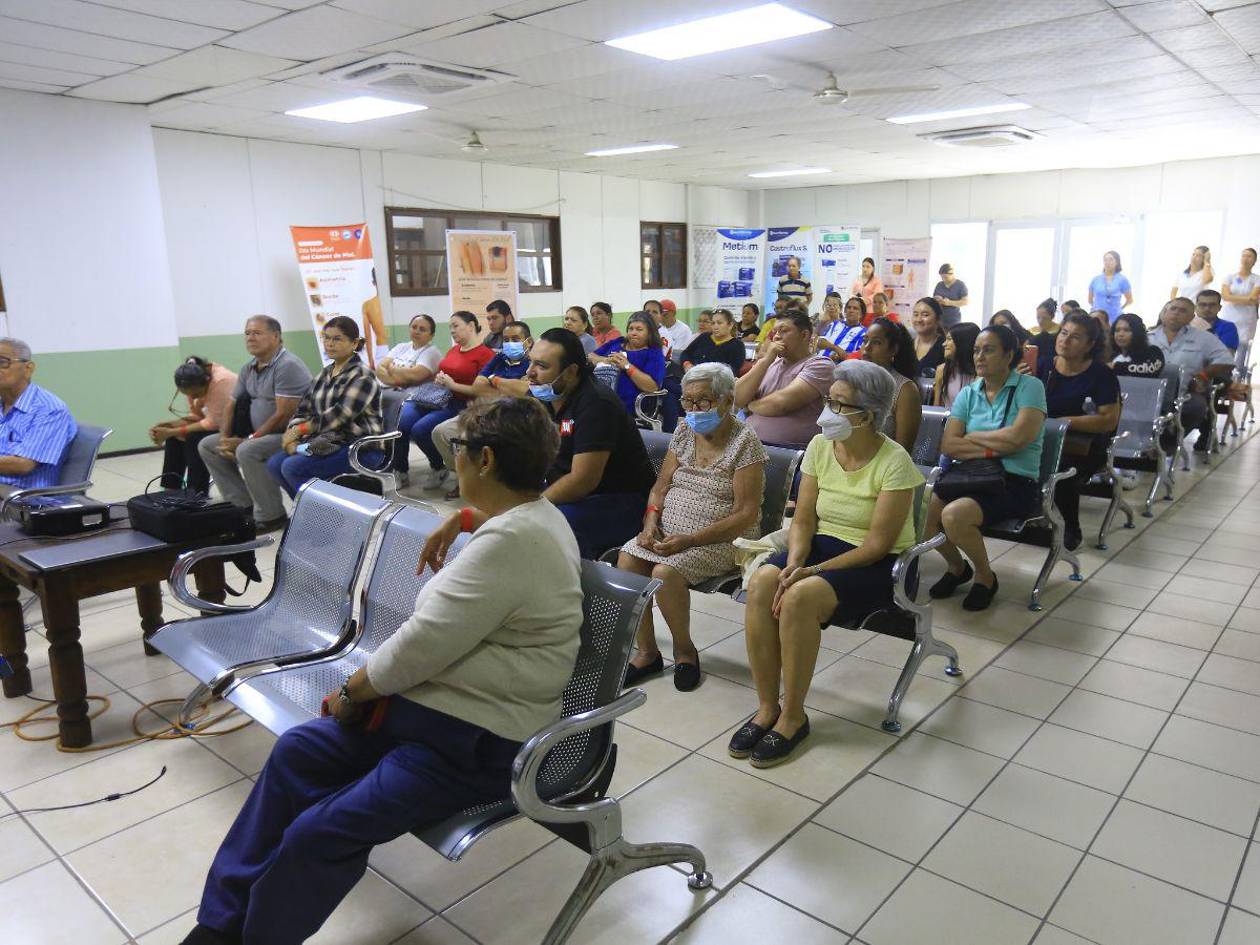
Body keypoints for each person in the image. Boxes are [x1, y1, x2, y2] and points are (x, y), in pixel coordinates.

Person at [179, 397, 583, 945]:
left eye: (458, 448)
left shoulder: (511, 542)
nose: (454, 457)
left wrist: (352, 690)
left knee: (319, 833)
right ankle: (218, 927)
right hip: (425, 719)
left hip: (472, 744)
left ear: (484, 460)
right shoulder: (527, 519)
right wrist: (465, 517)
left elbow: (420, 646)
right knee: (298, 753)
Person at [728, 360, 923, 768]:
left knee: (800, 597)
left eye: (838, 404)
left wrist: (812, 572)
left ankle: (794, 716)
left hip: (878, 564)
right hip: (821, 546)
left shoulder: (894, 462)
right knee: (764, 580)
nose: (826, 412)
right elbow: (803, 519)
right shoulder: (820, 446)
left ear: (867, 415)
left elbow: (877, 544)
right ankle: (767, 707)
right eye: (828, 400)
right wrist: (794, 560)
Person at [619, 363, 767, 692]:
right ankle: (647, 653)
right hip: (670, 533)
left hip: (724, 538)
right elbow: (660, 486)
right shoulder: (685, 429)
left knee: (663, 573)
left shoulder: (746, 441)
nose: (693, 410)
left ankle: (685, 652)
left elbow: (746, 513)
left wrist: (691, 539)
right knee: (628, 561)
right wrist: (650, 521)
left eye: (703, 402)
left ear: (728, 401)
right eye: (687, 401)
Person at [930, 325, 1047, 614]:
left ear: (1009, 355)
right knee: (920, 513)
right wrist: (997, 445)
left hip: (1014, 481)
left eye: (989, 350)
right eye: (976, 350)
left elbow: (1020, 437)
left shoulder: (1030, 387)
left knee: (953, 515)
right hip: (971, 476)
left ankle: (985, 576)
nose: (980, 356)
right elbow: (949, 444)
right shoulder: (970, 392)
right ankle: (958, 568)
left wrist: (972, 437)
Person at [526, 328, 656, 558]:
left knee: (553, 525)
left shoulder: (596, 403)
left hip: (620, 501)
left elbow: (582, 480)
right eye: (531, 362)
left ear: (570, 372)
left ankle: (569, 591)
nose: (530, 373)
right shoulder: (547, 397)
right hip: (576, 494)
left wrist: (533, 506)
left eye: (542, 366)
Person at [200, 316, 313, 533]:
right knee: (208, 445)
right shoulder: (248, 368)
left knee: (248, 450)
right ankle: (242, 506)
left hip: (293, 433)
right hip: (259, 433)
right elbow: (230, 405)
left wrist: (248, 439)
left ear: (276, 337)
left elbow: (282, 415)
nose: (250, 338)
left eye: (257, 333)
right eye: (247, 333)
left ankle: (272, 516)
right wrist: (224, 438)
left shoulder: (287, 365)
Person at [266, 317, 383, 499]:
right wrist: (292, 437)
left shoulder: (363, 375)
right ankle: (307, 511)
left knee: (292, 467)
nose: (329, 343)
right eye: (326, 338)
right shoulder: (323, 374)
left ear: (354, 343)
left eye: (337, 339)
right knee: (274, 464)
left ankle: (325, 516)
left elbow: (340, 415)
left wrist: (300, 430)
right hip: (326, 442)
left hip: (358, 446)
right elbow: (303, 410)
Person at [1036, 312, 1121, 551]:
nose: (1065, 340)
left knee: (1064, 469)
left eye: (1075, 337)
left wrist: (1066, 422)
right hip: (1042, 437)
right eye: (1063, 333)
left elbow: (1108, 420)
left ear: (1090, 345)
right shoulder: (1043, 365)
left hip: (1084, 444)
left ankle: (1071, 527)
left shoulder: (1100, 374)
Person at [430, 322, 533, 499]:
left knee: (483, 441)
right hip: (485, 410)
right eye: (506, 340)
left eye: (515, 339)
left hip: (513, 416)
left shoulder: (533, 362)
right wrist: (509, 386)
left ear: (528, 342)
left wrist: (493, 380)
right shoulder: (499, 358)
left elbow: (525, 391)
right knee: (441, 432)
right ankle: (465, 479)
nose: (509, 343)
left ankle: (491, 484)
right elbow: (477, 387)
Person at [393, 311, 493, 490]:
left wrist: (452, 385)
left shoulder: (485, 354)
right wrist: (441, 377)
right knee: (402, 424)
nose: (452, 331)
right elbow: (446, 372)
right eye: (450, 328)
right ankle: (400, 471)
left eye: (456, 326)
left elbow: (482, 390)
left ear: (471, 326)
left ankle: (439, 466)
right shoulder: (454, 349)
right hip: (437, 397)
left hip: (462, 403)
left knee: (421, 430)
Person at [736, 309, 833, 448]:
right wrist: (765, 360)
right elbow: (738, 398)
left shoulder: (820, 365)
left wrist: (750, 405)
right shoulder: (770, 363)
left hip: (789, 451)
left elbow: (780, 404)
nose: (776, 337)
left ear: (804, 335)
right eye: (775, 332)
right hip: (750, 444)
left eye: (783, 331)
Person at [1151, 297, 1235, 453]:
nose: (1176, 313)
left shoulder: (1204, 338)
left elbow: (1227, 361)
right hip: (1150, 391)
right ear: (1164, 313)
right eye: (1173, 309)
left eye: (1182, 311)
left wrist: (1204, 375)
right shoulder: (1148, 337)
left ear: (1191, 317)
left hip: (1186, 391)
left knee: (1197, 407)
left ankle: (1167, 445)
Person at [0, 337, 76, 492]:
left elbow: (23, 465)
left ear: (28, 369)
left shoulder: (50, 410)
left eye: (2, 362)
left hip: (22, 498)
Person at [152, 356, 237, 493]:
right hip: (216, 424)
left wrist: (174, 430)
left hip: (235, 426)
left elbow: (213, 422)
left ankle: (196, 492)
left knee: (194, 438)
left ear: (206, 382)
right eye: (189, 395)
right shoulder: (193, 382)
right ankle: (170, 490)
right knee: (174, 439)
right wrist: (171, 426)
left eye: (196, 394)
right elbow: (198, 416)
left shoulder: (222, 381)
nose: (193, 398)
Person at [590, 312, 668, 417]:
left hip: (630, 405)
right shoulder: (617, 342)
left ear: (650, 333)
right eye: (631, 329)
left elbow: (652, 386)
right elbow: (591, 356)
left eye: (639, 329)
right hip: (599, 396)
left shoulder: (654, 353)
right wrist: (606, 360)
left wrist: (627, 366)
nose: (633, 333)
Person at [862, 317, 922, 452]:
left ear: (893, 350)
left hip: (886, 469)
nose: (867, 347)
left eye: (876, 342)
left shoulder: (905, 390)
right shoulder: (853, 382)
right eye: (865, 341)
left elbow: (902, 452)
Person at [375, 314, 441, 391]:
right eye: (414, 327)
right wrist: (398, 381)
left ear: (431, 335)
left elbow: (414, 375)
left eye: (422, 329)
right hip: (383, 390)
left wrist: (391, 368)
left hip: (407, 397)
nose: (417, 331)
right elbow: (380, 369)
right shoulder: (401, 347)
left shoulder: (432, 352)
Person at [680, 308, 745, 375]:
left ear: (730, 325)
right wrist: (687, 364)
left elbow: (733, 370)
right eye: (713, 323)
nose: (715, 327)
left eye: (719, 323)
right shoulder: (703, 337)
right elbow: (686, 353)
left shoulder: (737, 345)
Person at [1221, 247, 1260, 356]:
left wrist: (1232, 297)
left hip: (1246, 320)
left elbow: (1253, 298)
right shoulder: (1230, 277)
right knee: (1223, 347)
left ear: (1254, 260)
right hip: (1229, 316)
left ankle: (1238, 372)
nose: (1245, 259)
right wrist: (1247, 299)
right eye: (1244, 255)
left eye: (1249, 256)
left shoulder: (1257, 279)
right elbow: (1225, 296)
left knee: (1241, 350)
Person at [933, 323, 979, 409]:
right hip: (948, 420)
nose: (944, 344)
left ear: (962, 342)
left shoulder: (980, 374)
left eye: (949, 339)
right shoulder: (942, 370)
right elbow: (937, 409)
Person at [1110, 313, 1165, 378]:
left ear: (1137, 333)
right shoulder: (1111, 355)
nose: (1121, 334)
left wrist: (1115, 366)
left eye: (1127, 330)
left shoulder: (1153, 351)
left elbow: (1150, 370)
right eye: (1117, 330)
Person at [815, 295, 867, 361]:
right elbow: (820, 342)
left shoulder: (863, 333)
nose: (851, 310)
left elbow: (855, 358)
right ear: (845, 311)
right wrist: (836, 349)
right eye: (849, 307)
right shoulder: (835, 324)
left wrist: (832, 347)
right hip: (818, 361)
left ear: (861, 314)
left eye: (855, 308)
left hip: (839, 367)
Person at [1088, 251, 1133, 323]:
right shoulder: (1096, 279)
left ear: (1117, 262)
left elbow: (1130, 300)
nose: (1107, 262)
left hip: (1115, 317)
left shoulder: (1122, 279)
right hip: (1097, 317)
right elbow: (1090, 300)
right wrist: (1096, 308)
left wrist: (1119, 309)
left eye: (1111, 259)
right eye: (1105, 259)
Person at [911, 298, 947, 378]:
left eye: (925, 315)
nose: (919, 319)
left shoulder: (945, 346)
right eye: (916, 315)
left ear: (938, 319)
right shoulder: (907, 345)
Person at [932, 263, 969, 328]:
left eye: (945, 277)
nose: (943, 279)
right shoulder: (939, 285)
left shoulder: (960, 285)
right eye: (942, 277)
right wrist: (937, 299)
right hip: (939, 320)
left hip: (953, 321)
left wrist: (949, 303)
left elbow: (965, 302)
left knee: (951, 337)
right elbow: (933, 299)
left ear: (952, 274)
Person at [1030, 298, 1060, 370]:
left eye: (1044, 318)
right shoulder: (1032, 330)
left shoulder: (1059, 331)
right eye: (1038, 317)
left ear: (1052, 317)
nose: (1040, 321)